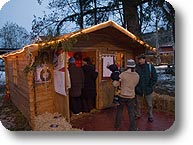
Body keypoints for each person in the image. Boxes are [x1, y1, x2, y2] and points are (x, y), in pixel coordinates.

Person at [114, 59, 139, 131]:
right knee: (131, 112)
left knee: (119, 111)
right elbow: (135, 84)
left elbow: (115, 84)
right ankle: (133, 128)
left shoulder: (123, 74)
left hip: (122, 95)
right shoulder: (137, 75)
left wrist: (115, 81)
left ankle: (117, 126)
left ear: (127, 66)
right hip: (131, 96)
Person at [135, 54, 157, 122]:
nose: (139, 61)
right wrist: (136, 87)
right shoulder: (136, 67)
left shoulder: (150, 67)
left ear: (144, 59)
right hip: (138, 89)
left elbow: (154, 77)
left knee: (149, 104)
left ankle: (150, 116)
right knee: (138, 104)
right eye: (138, 59)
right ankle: (138, 114)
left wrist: (150, 86)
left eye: (141, 59)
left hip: (148, 89)